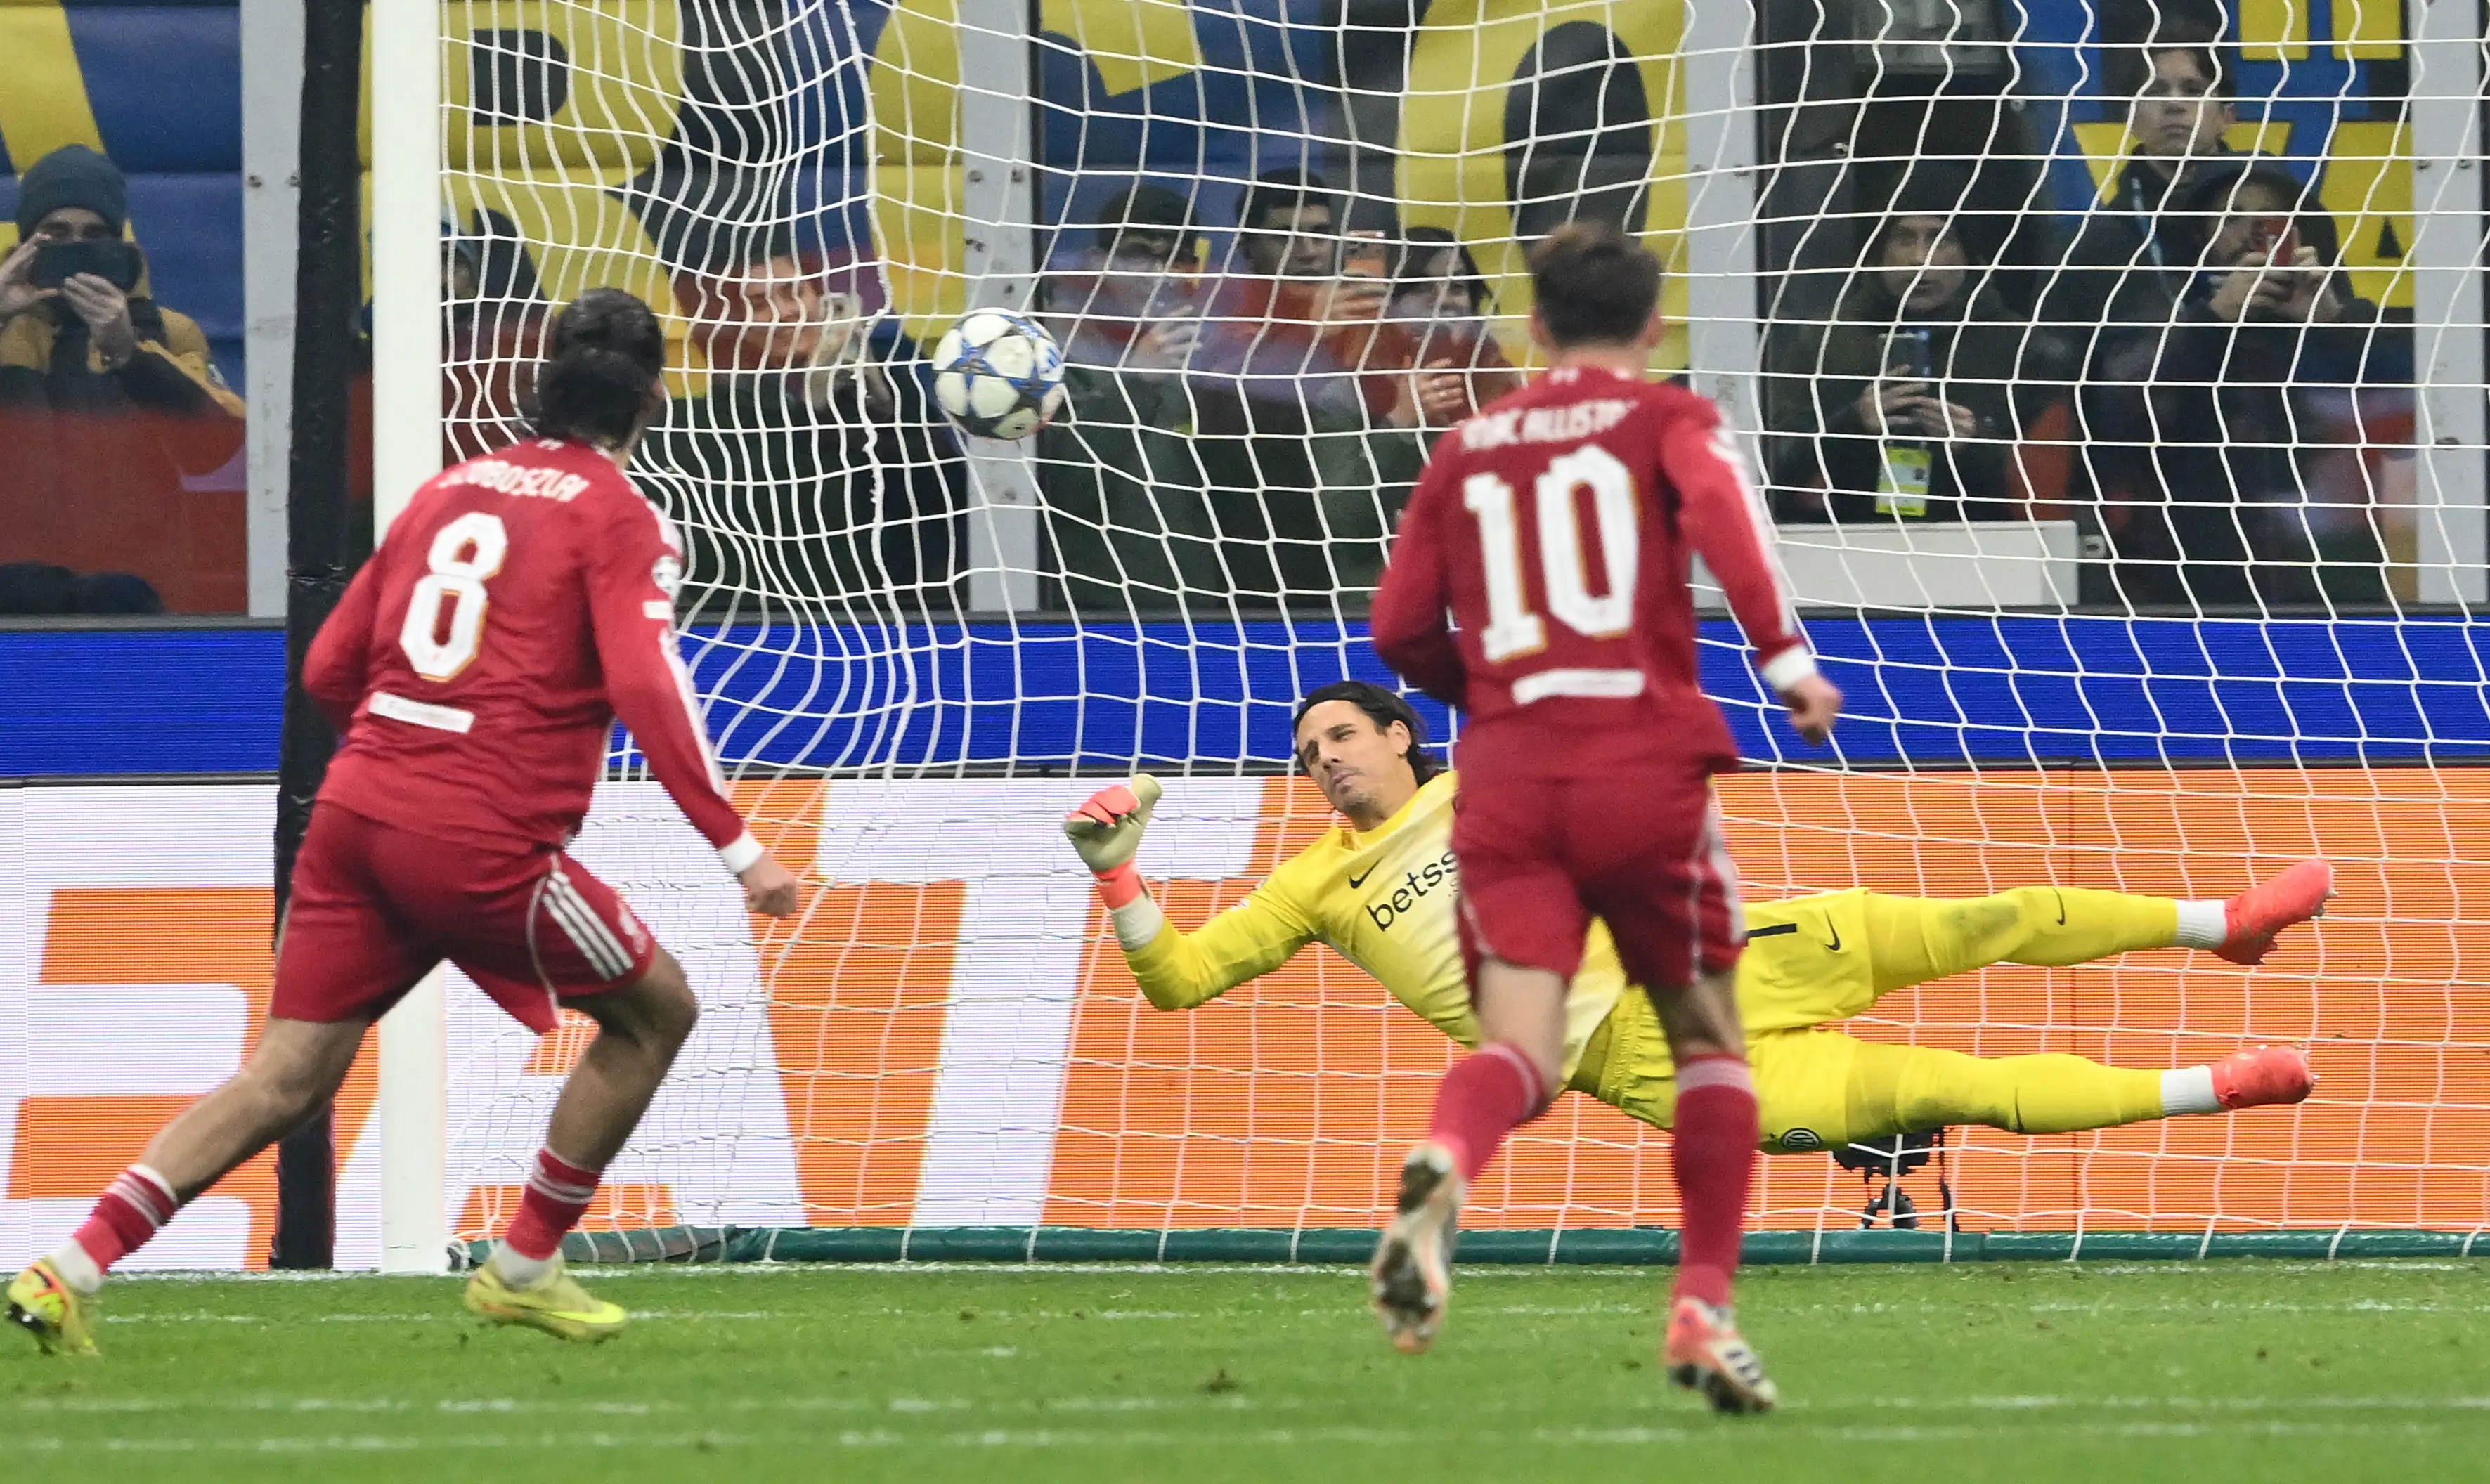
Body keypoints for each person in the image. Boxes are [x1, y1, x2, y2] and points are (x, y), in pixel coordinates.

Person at [6, 289, 803, 1358]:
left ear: (539, 380)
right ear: (652, 398)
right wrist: (740, 849)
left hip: (357, 809)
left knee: (282, 1077)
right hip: (480, 835)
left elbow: (332, 664)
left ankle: (70, 1264)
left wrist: (402, 760)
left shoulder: (446, 489)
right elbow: (650, 686)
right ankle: (524, 1262)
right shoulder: (620, 517)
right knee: (656, 1013)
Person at [1063, 680, 2322, 1168]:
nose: (1321, 759)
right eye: (1304, 753)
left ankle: (2221, 923)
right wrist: (1119, 876)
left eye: (1338, 734)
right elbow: (1175, 980)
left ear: (1399, 735)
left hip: (1721, 950)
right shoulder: (1309, 887)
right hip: (1651, 1058)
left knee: (1981, 915)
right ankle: (2214, 1087)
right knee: (1962, 1082)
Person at [1366, 221, 1842, 1412]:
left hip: (1508, 778)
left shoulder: (1465, 445)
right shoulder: (1665, 419)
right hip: (1639, 766)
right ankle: (1699, 1304)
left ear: (1531, 328)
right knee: (1708, 1044)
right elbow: (1727, 526)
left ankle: (1449, 1160)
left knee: (1518, 1043)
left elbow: (1393, 628)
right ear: (1649, 327)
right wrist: (1785, 665)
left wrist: (1483, 694)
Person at [2093, 158, 2394, 608]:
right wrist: (2214, 318)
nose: (2253, 233)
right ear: (2201, 233)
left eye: (2271, 219)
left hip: (2335, 574)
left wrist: (2333, 321)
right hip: (2195, 577)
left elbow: (2419, 419)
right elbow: (2117, 418)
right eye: (2231, 216)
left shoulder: (2346, 313)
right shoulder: (2161, 313)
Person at [649, 240, 963, 612]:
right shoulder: (703, 418)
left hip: (898, 609)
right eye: (759, 304)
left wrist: (870, 406)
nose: (786, 313)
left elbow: (945, 498)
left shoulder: (889, 385)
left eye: (793, 292)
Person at [0, 144, 247, 609]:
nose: (75, 247)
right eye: (56, 232)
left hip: (134, 595)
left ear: (118, 246)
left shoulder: (169, 333)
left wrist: (129, 352)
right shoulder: (6, 327)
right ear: (27, 242)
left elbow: (217, 448)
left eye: (94, 235)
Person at [1770, 173, 2071, 523]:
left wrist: (1975, 443)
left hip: (1986, 552)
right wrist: (1852, 424)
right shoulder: (1824, 342)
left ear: (1969, 253)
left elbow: (2056, 490)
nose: (1920, 259)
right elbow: (1771, 469)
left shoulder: (2024, 349)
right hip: (1847, 550)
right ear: (1878, 250)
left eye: (1941, 239)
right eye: (1903, 239)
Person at [1187, 167, 1423, 599]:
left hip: (1369, 552)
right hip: (1264, 556)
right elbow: (1225, 421)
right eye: (1287, 236)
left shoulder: (1370, 316)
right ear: (1247, 247)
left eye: (1320, 233)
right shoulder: (1226, 318)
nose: (1309, 250)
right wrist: (1309, 331)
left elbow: (1412, 414)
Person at [1036, 184, 1226, 610]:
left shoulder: (1214, 358)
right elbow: (1068, 487)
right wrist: (1136, 379)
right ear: (1098, 262)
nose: (1156, 273)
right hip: (1089, 608)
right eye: (1138, 254)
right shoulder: (1051, 355)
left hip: (1201, 605)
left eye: (1175, 258)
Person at [1386, 228, 1522, 432]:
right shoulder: (1356, 381)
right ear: (1388, 303)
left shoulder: (1494, 375)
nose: (1443, 300)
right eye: (1420, 287)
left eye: (1457, 286)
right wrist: (1401, 418)